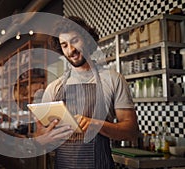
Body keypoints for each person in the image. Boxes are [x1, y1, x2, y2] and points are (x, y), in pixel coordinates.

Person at [33, 16, 139, 169]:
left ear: (87, 40)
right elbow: (39, 138)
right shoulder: (53, 88)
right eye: (64, 45)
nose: (71, 50)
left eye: (75, 40)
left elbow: (131, 132)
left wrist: (97, 124)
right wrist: (43, 138)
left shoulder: (113, 80)